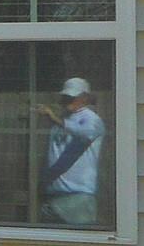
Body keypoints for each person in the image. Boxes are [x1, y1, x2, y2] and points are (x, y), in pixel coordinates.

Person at [34, 78, 105, 228]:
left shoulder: (91, 119)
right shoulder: (62, 121)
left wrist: (54, 117)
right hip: (54, 193)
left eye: (73, 97)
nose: (68, 101)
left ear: (85, 98)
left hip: (79, 193)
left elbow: (84, 134)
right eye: (66, 97)